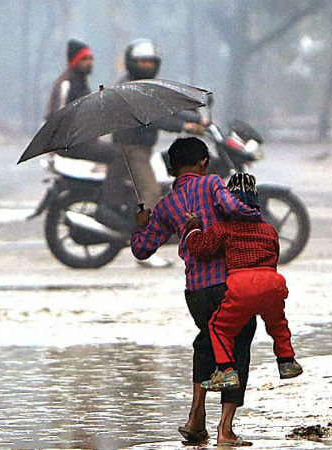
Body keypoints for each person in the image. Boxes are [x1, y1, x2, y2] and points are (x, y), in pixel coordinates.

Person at [131, 137, 260, 446]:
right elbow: (233, 207)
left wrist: (140, 223)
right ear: (204, 163)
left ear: (173, 169)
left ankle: (196, 418)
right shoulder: (212, 183)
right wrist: (254, 215)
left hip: (196, 293)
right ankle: (225, 430)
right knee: (237, 346)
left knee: (207, 343)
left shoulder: (167, 205)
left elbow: (142, 249)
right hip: (229, 286)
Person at [183, 173, 303, 392]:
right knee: (277, 323)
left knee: (219, 327)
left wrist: (192, 229)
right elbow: (275, 255)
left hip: (241, 284)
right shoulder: (269, 230)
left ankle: (226, 371)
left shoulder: (225, 229)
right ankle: (286, 361)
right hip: (272, 282)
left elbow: (201, 249)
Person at [98, 39, 207, 230]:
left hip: (145, 149)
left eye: (150, 61)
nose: (147, 65)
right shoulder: (129, 88)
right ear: (132, 62)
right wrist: (185, 126)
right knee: (151, 192)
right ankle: (144, 240)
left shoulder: (146, 86)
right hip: (133, 149)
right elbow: (153, 118)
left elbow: (166, 108)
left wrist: (194, 114)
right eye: (142, 62)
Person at [45, 39, 113, 164]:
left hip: (83, 141)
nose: (89, 62)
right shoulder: (67, 84)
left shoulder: (81, 82)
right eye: (84, 59)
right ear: (74, 61)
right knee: (118, 154)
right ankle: (113, 184)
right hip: (69, 145)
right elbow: (57, 118)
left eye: (90, 59)